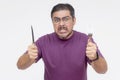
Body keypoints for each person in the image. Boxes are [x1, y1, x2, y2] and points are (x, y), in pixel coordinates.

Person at [17, 3, 108, 80]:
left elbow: (103, 70)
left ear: (74, 20)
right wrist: (29, 56)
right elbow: (20, 66)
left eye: (66, 19)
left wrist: (95, 57)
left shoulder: (86, 40)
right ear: (52, 22)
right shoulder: (43, 41)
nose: (61, 24)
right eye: (56, 20)